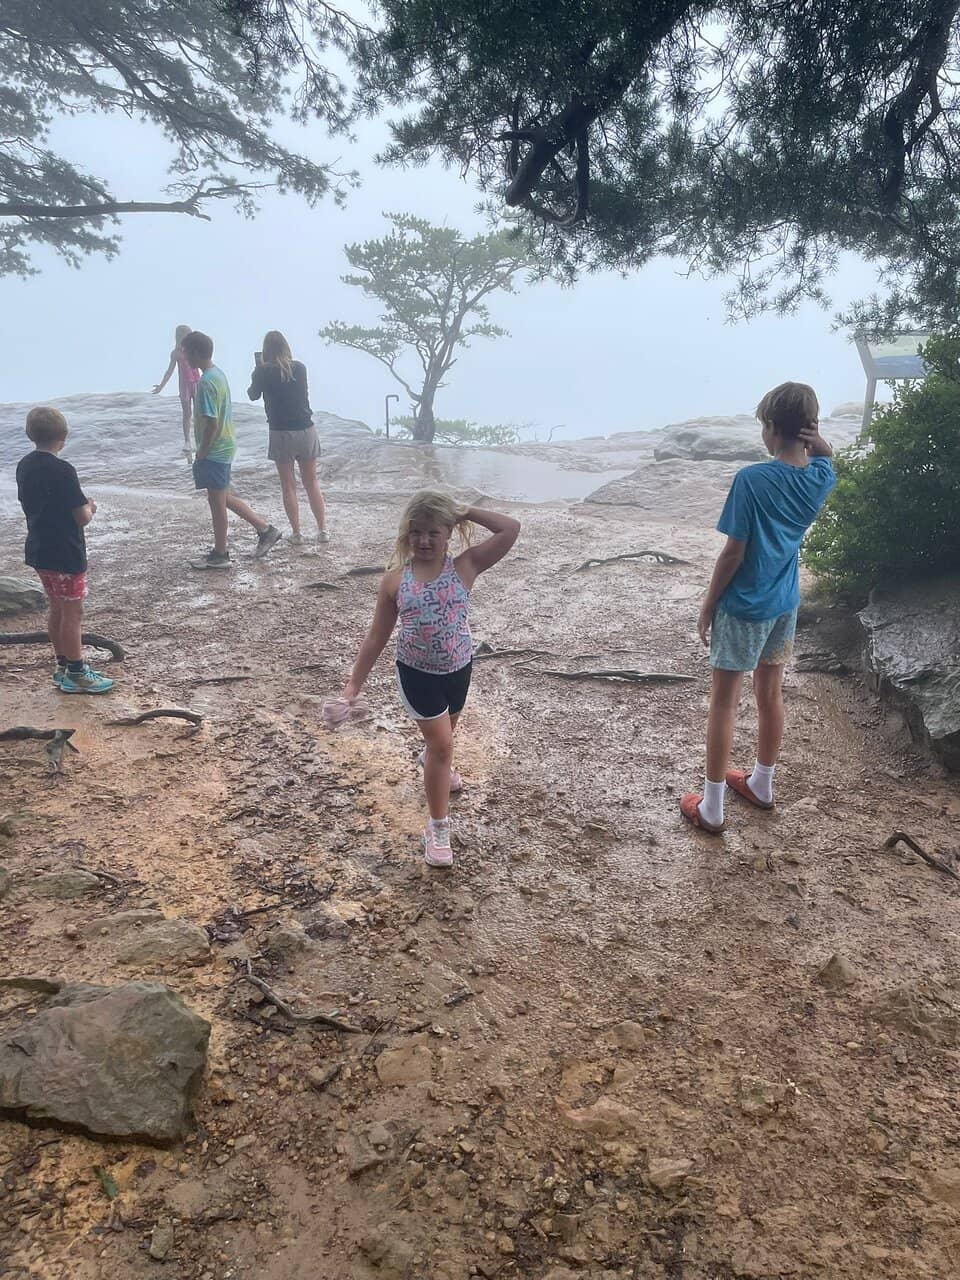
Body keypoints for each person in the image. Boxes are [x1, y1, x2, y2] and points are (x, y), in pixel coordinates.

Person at [680, 382, 835, 834]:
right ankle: (761, 783)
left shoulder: (753, 479)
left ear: (770, 428)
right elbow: (827, 460)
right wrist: (820, 444)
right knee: (770, 694)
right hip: (783, 605)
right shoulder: (818, 478)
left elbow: (734, 552)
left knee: (723, 704)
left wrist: (709, 602)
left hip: (745, 606)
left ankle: (711, 807)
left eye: (762, 426)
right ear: (807, 428)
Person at [342, 492, 520, 867]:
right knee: (443, 746)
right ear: (406, 534)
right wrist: (353, 685)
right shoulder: (395, 581)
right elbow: (377, 636)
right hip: (416, 674)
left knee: (443, 741)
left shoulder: (466, 566)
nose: (424, 540)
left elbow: (510, 528)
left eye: (433, 533)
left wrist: (462, 509)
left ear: (448, 534)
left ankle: (431, 758)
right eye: (416, 532)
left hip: (458, 670)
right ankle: (437, 827)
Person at [15, 406, 114, 694]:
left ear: (29, 434)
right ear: (64, 436)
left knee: (56, 607)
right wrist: (91, 507)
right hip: (65, 551)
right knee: (74, 612)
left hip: (39, 548)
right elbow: (80, 516)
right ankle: (77, 671)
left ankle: (61, 666)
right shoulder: (63, 470)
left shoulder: (24, 465)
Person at [181, 330, 281, 569]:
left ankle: (220, 553)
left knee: (216, 503)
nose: (184, 358)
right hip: (226, 445)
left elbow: (212, 421)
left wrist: (202, 451)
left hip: (215, 450)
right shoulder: (217, 374)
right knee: (222, 497)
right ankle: (265, 530)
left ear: (195, 352)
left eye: (186, 353)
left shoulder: (206, 383)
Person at [248, 331, 328, 545]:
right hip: (306, 429)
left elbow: (253, 395)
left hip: (281, 432)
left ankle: (297, 533)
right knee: (311, 483)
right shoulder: (300, 368)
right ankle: (322, 530)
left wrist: (257, 368)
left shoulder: (263, 372)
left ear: (266, 350)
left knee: (288, 485)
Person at [152, 324, 200, 459]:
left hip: (197, 383)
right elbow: (170, 371)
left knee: (198, 413)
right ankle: (187, 441)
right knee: (187, 414)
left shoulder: (194, 350)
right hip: (184, 385)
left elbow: (203, 365)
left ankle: (199, 439)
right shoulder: (176, 353)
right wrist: (161, 386)